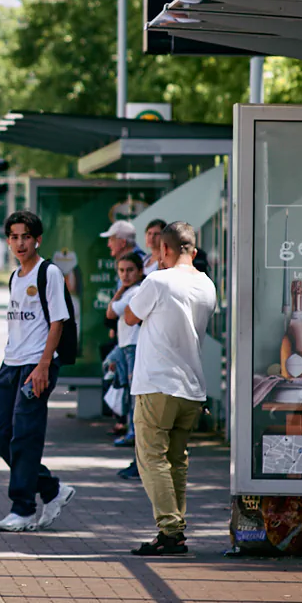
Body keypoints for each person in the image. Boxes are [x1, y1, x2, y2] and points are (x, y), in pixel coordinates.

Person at [122, 219, 217, 555]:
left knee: (152, 458)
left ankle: (170, 530)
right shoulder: (207, 286)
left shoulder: (158, 281)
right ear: (192, 247)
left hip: (157, 383)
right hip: (191, 387)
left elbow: (130, 317)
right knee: (177, 460)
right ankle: (176, 529)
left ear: (164, 249)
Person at [0, 210, 76, 533]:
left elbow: (58, 321)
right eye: (14, 237)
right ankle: (51, 489)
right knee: (1, 436)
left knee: (25, 436)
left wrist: (43, 365)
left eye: (26, 236)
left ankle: (23, 509)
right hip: (10, 364)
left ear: (37, 239)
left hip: (35, 364)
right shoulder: (15, 277)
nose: (20, 243)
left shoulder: (48, 273)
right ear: (8, 241)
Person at [105, 250, 146, 453]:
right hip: (125, 346)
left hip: (134, 346)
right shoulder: (128, 290)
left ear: (140, 271)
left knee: (133, 393)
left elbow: (112, 311)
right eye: (121, 270)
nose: (125, 275)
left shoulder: (136, 291)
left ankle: (134, 432)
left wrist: (120, 290)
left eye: (130, 270)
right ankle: (130, 429)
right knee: (125, 387)